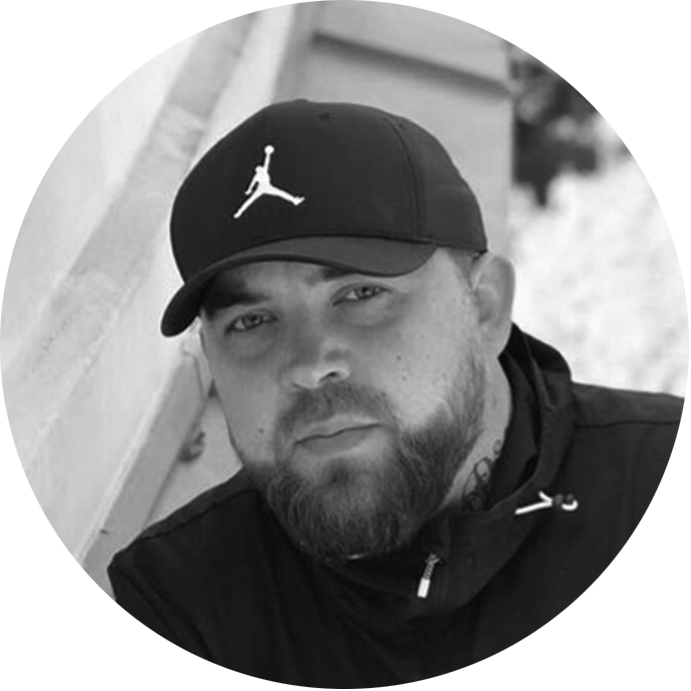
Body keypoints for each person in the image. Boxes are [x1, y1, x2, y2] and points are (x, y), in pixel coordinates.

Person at [108, 100, 682, 687]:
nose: (310, 365)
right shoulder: (182, 610)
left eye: (360, 295)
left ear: (484, 307)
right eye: (251, 321)